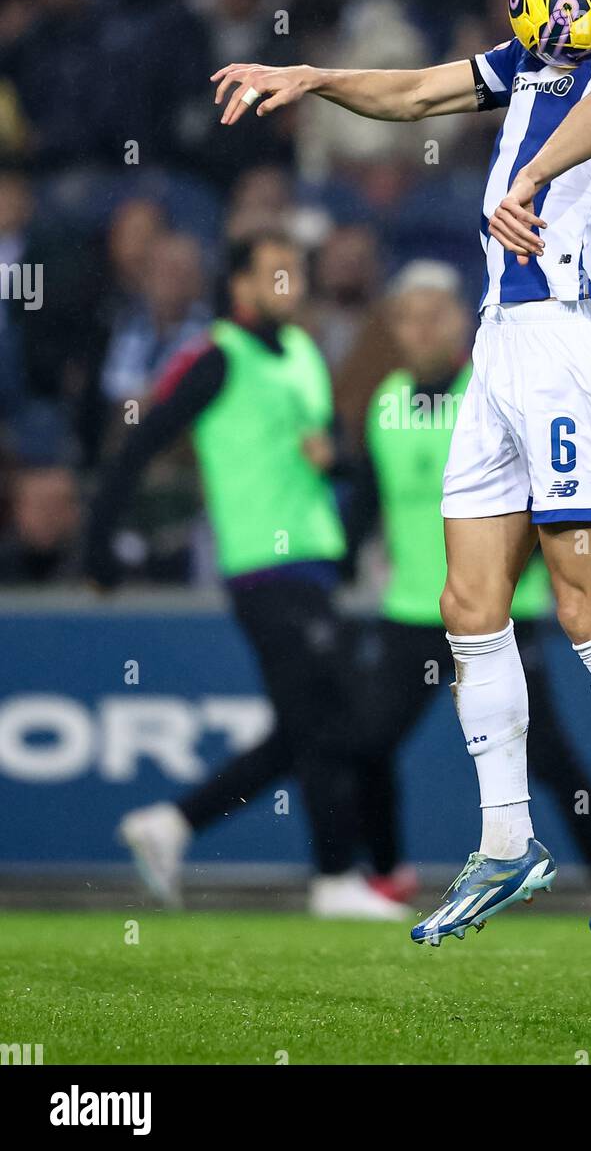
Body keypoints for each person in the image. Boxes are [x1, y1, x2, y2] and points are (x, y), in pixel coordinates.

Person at [212, 0, 591, 944]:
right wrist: (313, 73)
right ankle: (505, 843)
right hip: (500, 346)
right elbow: (417, 91)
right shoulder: (556, 51)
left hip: (573, 345)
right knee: (468, 602)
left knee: (586, 604)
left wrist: (527, 181)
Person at [84, 230, 406, 920]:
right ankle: (333, 879)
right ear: (240, 287)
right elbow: (139, 442)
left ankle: (172, 824)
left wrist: (337, 463)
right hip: (263, 565)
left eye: (295, 272)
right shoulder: (213, 358)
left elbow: (330, 461)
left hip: (315, 565)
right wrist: (99, 547)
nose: (292, 285)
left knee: (310, 727)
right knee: (327, 721)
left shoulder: (304, 356)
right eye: (278, 273)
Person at [348, 259, 591, 898]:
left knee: (547, 755)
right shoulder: (385, 401)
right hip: (414, 611)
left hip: (499, 608)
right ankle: (388, 877)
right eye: (406, 319)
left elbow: (538, 493)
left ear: (463, 319)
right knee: (366, 744)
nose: (418, 330)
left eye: (432, 315)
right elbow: (369, 500)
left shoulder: (494, 392)